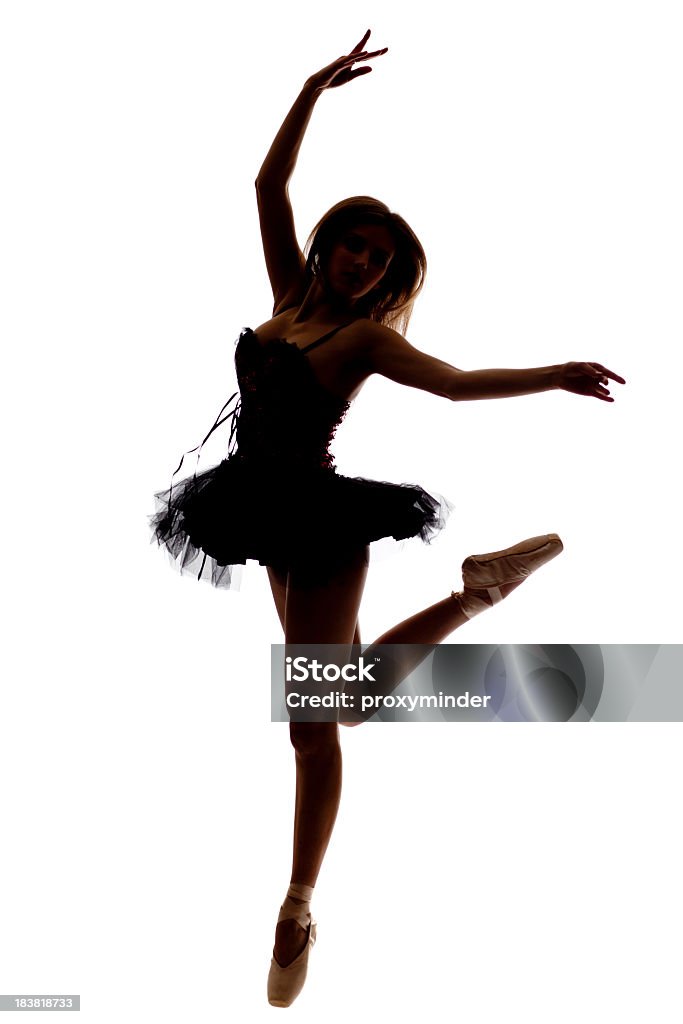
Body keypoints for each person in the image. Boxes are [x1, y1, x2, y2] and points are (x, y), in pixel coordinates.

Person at [149, 30, 625, 1007]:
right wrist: (309, 87)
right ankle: (474, 594)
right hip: (255, 509)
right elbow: (266, 187)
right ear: (327, 246)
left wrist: (554, 374)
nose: (364, 264)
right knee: (347, 699)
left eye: (380, 259)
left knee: (308, 718)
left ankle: (294, 904)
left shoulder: (363, 338)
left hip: (316, 519)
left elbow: (451, 385)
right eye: (356, 245)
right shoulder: (287, 299)